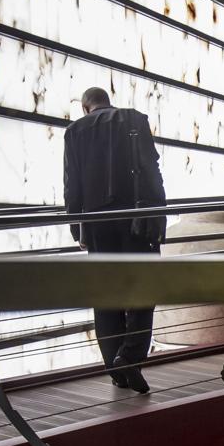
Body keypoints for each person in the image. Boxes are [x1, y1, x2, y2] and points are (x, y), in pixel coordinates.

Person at [64, 87, 167, 393]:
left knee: (106, 295)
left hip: (97, 224)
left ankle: (115, 368)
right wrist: (159, 217)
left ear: (86, 107)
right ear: (108, 101)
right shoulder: (135, 119)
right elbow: (153, 171)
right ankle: (130, 357)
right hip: (137, 219)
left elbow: (73, 185)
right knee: (143, 289)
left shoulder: (74, 132)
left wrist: (77, 228)